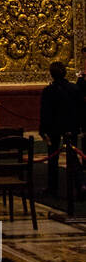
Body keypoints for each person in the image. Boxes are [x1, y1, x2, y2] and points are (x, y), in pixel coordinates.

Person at [39, 61, 85, 198]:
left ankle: (53, 187)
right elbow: (81, 109)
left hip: (54, 127)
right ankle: (79, 185)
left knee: (53, 158)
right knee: (73, 157)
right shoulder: (74, 88)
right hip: (71, 126)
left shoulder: (49, 90)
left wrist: (42, 130)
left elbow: (45, 112)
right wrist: (81, 126)